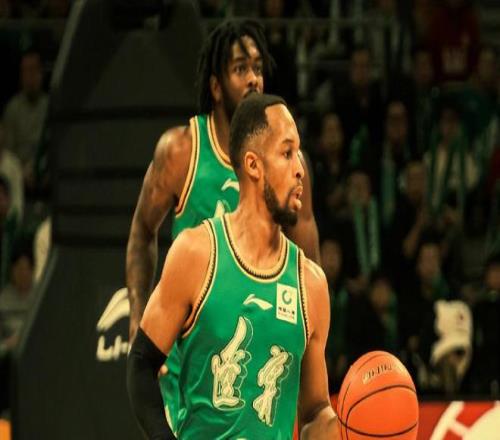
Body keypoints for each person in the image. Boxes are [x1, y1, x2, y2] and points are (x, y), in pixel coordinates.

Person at [126, 19, 321, 433]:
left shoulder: (289, 172)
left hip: (260, 333)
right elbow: (142, 232)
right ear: (216, 87)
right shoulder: (183, 151)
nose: (253, 79)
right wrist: (138, 315)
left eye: (258, 67)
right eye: (240, 68)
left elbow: (309, 258)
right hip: (195, 350)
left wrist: (311, 322)